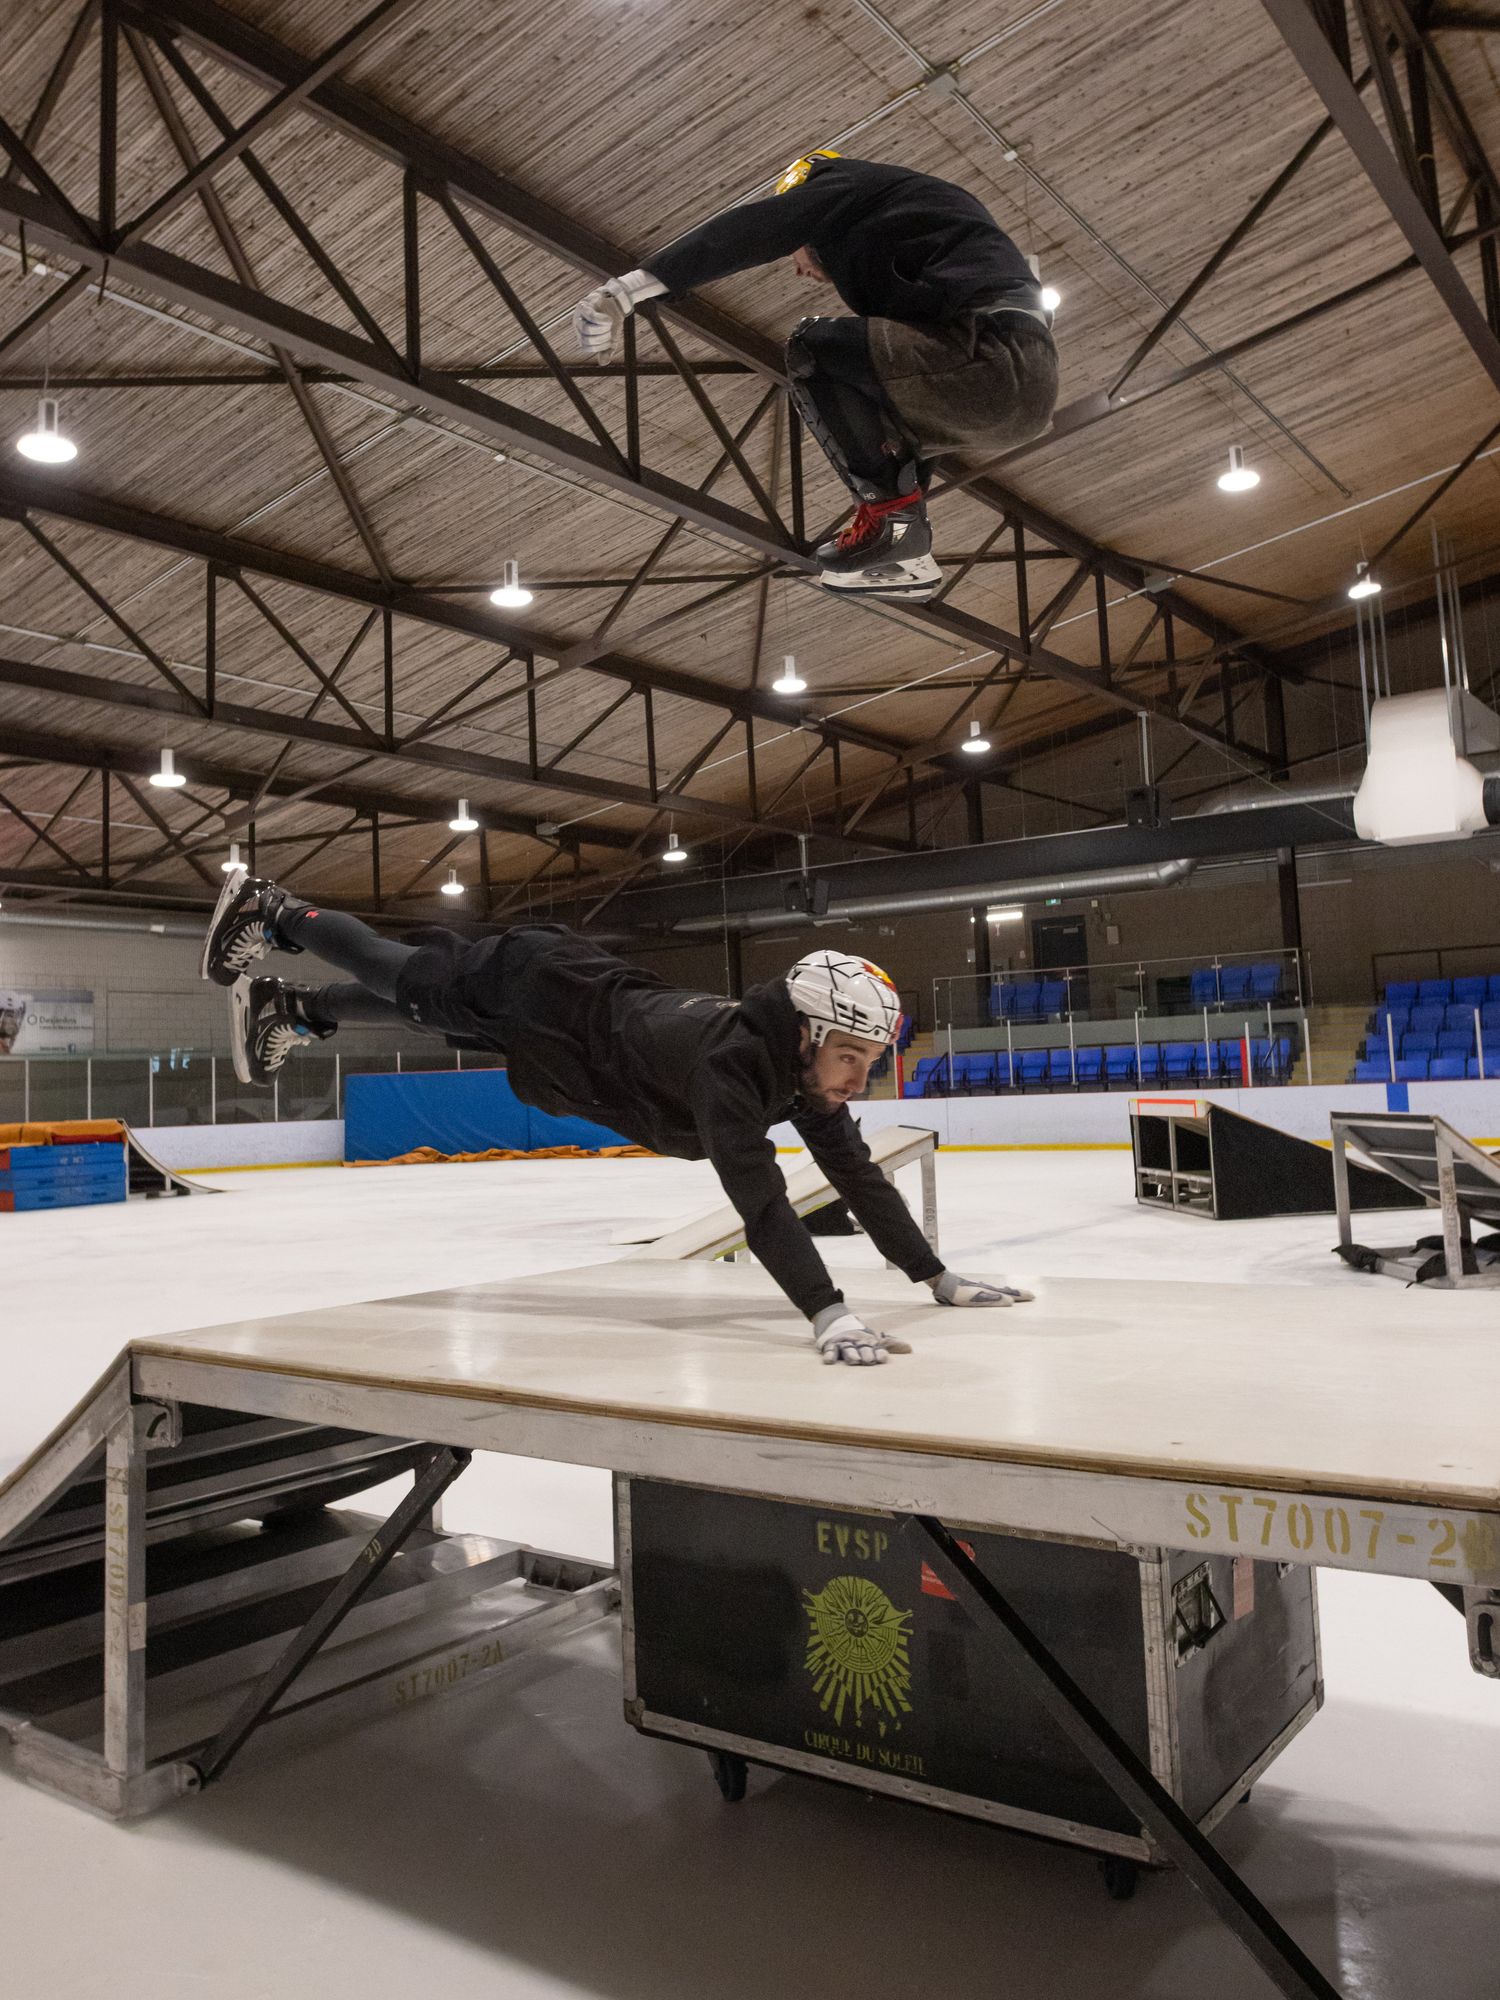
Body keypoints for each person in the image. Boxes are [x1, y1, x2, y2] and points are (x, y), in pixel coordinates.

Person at [200, 872, 1032, 1364]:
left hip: (569, 1019)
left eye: (870, 1058)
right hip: (546, 995)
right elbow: (763, 1203)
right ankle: (272, 908)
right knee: (402, 974)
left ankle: (296, 1010)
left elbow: (853, 1171)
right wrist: (828, 1311)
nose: (861, 1077)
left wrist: (936, 1277)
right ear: (810, 1032)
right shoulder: (734, 1068)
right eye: (851, 1055)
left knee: (428, 1008)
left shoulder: (796, 1069)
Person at [570, 150, 1058, 601]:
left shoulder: (843, 181)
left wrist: (627, 290)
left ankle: (894, 526)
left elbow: (757, 228)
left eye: (797, 254)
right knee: (872, 390)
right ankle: (908, 548)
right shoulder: (921, 226)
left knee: (813, 347)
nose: (800, 269)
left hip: (991, 356)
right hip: (1019, 386)